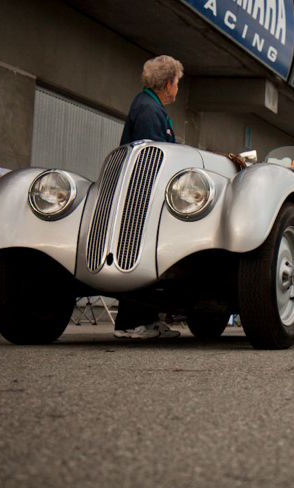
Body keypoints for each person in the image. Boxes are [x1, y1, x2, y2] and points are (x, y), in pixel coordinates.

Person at [114, 55, 184, 339]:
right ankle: (134, 322)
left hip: (141, 196)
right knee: (140, 255)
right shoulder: (148, 111)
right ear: (168, 84)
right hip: (143, 197)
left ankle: (142, 319)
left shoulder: (148, 106)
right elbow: (153, 158)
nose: (177, 89)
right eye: (177, 83)